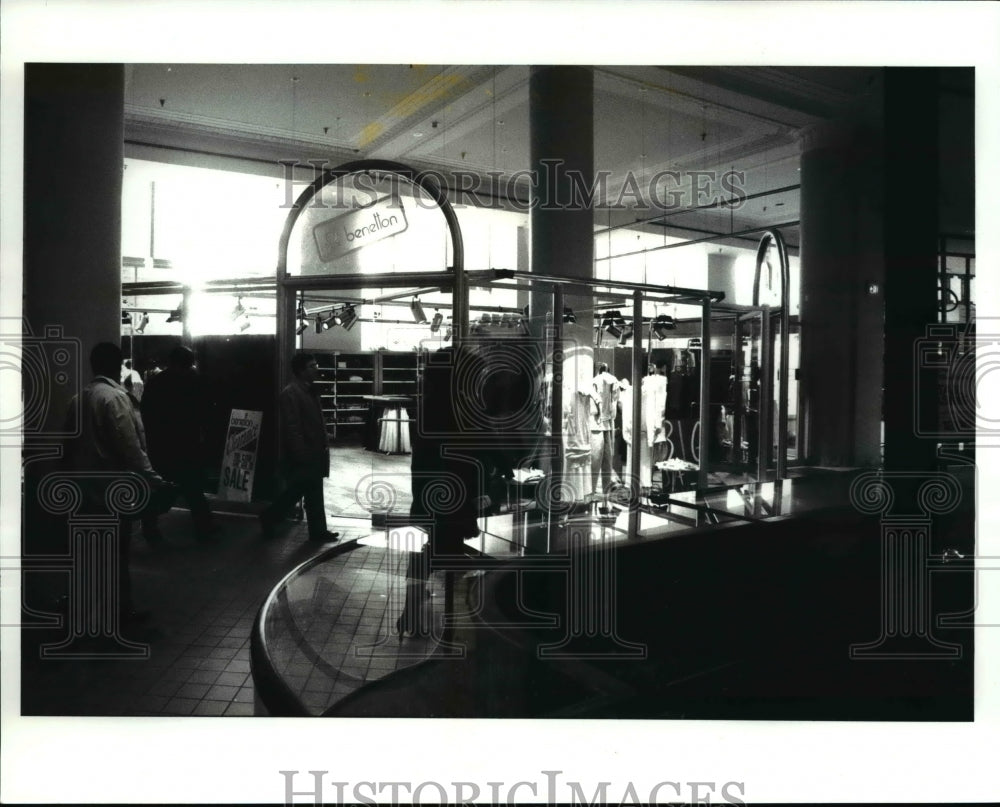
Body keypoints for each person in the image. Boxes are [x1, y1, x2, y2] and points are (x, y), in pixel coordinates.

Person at [64, 342, 172, 626]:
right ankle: (120, 613)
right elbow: (130, 447)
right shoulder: (114, 398)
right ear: (117, 365)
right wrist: (154, 479)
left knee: (88, 554)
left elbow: (67, 447)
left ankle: (83, 610)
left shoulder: (78, 398)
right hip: (111, 489)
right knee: (116, 554)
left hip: (82, 489)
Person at [140, 345, 219, 542]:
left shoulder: (156, 382)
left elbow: (146, 413)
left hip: (162, 445)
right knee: (193, 490)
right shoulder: (195, 381)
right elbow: (206, 413)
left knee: (165, 489)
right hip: (188, 444)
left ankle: (149, 525)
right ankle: (204, 529)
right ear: (189, 362)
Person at [260, 353, 339, 542]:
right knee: (299, 490)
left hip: (314, 451)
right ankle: (270, 517)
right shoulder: (291, 393)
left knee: (310, 491)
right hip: (304, 453)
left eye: (316, 365)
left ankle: (317, 531)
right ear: (301, 370)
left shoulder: (309, 390)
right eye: (312, 366)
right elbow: (292, 426)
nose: (316, 369)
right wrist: (300, 452)